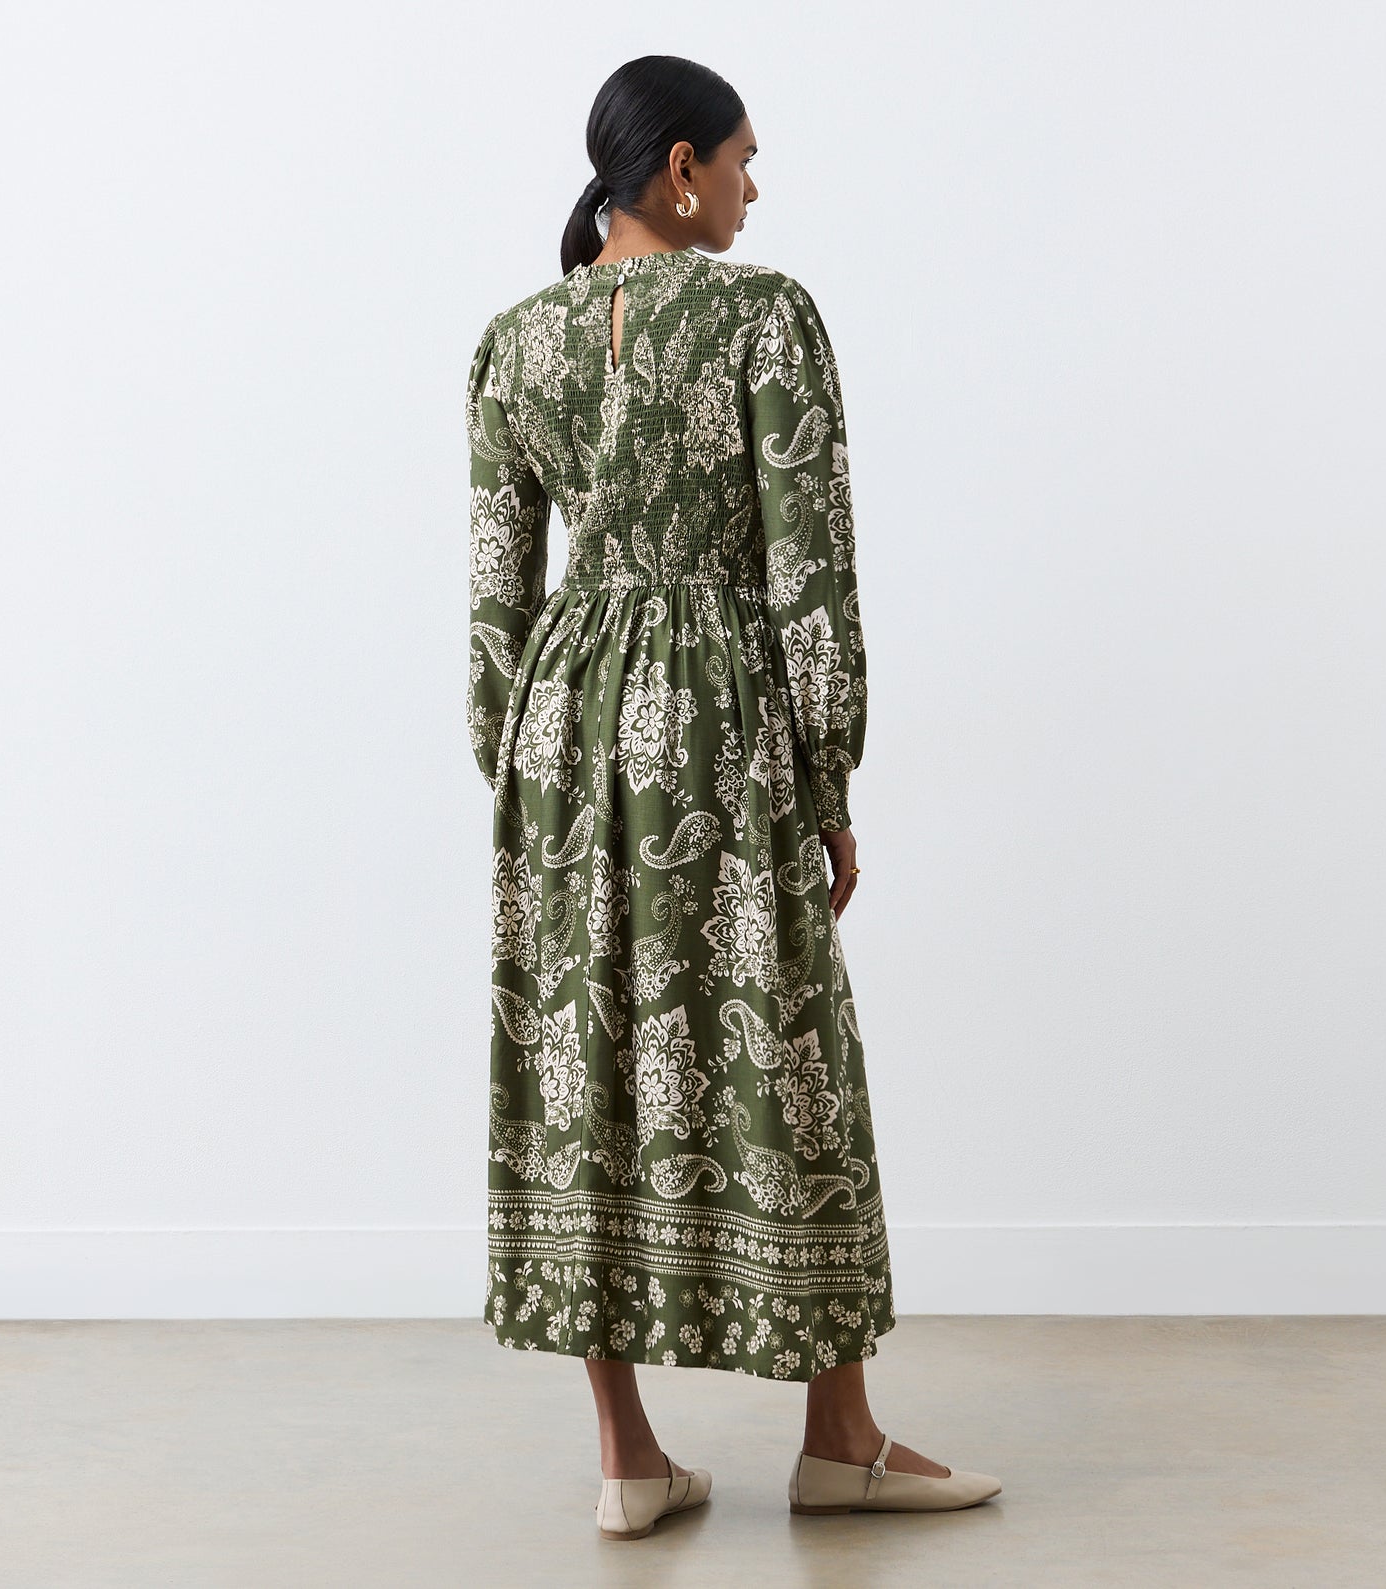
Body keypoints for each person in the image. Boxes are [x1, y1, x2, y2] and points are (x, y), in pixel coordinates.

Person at [465, 54, 1001, 1539]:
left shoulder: (514, 345)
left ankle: (628, 1456)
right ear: (680, 166)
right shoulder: (763, 318)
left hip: (564, 732)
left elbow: (497, 603)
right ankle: (837, 1435)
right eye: (744, 163)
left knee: (589, 1064)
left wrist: (513, 774)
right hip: (713, 718)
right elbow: (808, 569)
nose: (755, 192)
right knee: (792, 1052)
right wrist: (829, 772)